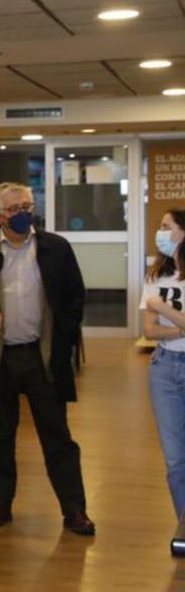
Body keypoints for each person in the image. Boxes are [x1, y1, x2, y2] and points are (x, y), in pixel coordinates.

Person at [0, 182, 94, 535]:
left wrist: (62, 343)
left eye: (27, 205)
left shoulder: (55, 248)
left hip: (42, 357)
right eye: (15, 208)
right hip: (0, 358)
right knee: (0, 435)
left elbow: (74, 297)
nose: (23, 213)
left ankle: (75, 510)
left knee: (58, 436)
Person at [141, 208, 185, 519]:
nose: (160, 232)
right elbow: (149, 330)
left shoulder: (160, 292)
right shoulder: (156, 275)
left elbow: (158, 317)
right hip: (165, 367)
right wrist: (181, 327)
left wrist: (162, 308)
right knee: (175, 460)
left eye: (166, 226)